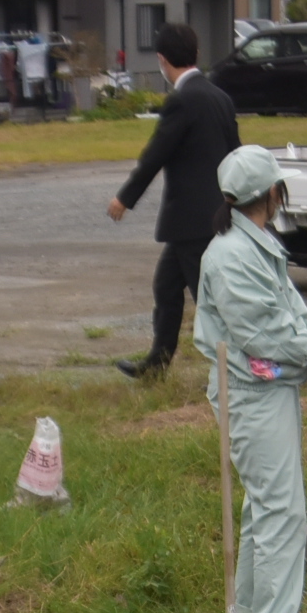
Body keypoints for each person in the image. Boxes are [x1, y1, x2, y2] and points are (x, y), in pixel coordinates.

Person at [196, 143, 307, 613]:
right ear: (270, 194)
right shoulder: (230, 255)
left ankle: (250, 610)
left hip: (269, 387)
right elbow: (261, 331)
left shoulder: (253, 241)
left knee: (262, 505)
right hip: (250, 394)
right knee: (283, 511)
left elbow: (287, 311)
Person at [106, 21, 240, 380]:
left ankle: (233, 368)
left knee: (207, 301)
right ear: (195, 54)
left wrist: (124, 198)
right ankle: (157, 363)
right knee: (167, 287)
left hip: (191, 221)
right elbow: (236, 156)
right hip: (215, 215)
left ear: (163, 60)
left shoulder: (182, 100)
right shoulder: (219, 97)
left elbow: (155, 155)